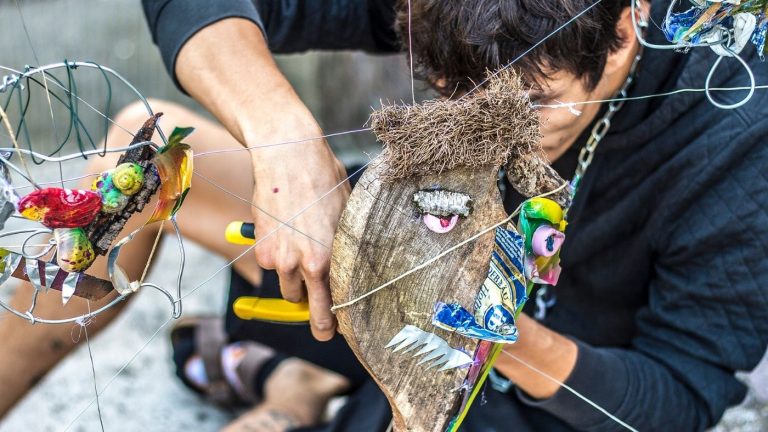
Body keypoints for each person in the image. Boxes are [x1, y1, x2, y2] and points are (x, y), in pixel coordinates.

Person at [1, 0, 765, 431]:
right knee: (144, 149)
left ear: (623, 32)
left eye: (532, 104)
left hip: (537, 384)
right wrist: (285, 139)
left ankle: (292, 392)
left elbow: (679, 397)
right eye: (453, 93)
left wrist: (495, 338)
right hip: (379, 277)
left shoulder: (737, 131)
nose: (491, 134)